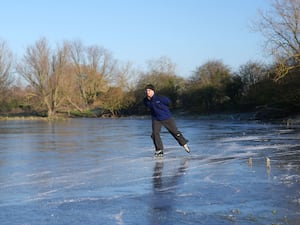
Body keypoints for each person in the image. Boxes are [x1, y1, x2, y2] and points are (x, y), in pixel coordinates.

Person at [143, 84, 190, 156]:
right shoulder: (146, 100)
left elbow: (168, 102)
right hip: (156, 119)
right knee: (155, 134)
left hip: (166, 117)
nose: (147, 92)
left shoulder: (160, 98)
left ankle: (184, 144)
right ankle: (159, 150)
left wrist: (164, 110)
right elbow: (148, 106)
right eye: (146, 91)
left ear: (153, 91)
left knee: (174, 132)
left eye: (149, 90)